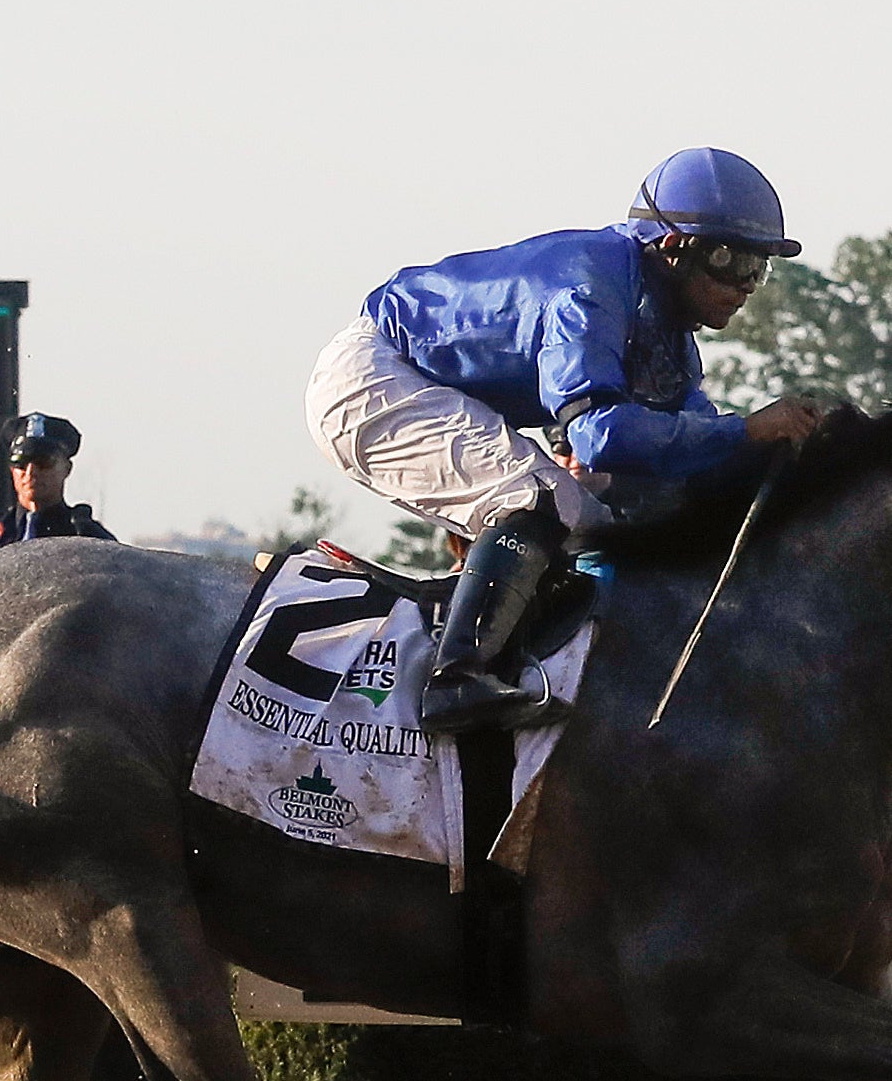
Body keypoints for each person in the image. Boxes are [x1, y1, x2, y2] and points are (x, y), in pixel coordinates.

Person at [305, 146, 824, 732]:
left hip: (421, 382)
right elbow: (601, 436)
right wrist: (749, 429)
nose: (747, 286)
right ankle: (457, 680)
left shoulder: (666, 333)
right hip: (374, 378)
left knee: (592, 515)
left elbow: (693, 451)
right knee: (542, 499)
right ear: (676, 248)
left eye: (760, 269)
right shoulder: (593, 287)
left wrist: (788, 450)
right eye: (734, 262)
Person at [0, 414, 117, 546]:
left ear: (67, 469)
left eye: (43, 462)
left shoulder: (88, 538)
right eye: (20, 463)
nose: (31, 472)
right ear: (11, 469)